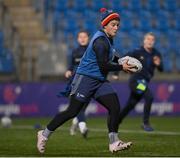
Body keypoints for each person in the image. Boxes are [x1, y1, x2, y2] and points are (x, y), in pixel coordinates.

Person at [37, 8, 134, 154]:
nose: (116, 27)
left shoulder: (108, 39)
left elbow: (110, 56)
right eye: (113, 24)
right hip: (85, 79)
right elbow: (103, 64)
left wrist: (120, 61)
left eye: (117, 25)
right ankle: (44, 134)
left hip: (99, 80)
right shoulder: (100, 41)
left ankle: (114, 143)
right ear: (105, 25)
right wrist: (121, 66)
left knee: (114, 107)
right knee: (72, 112)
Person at [118, 32, 164, 131]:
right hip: (135, 82)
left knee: (130, 105)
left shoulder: (156, 54)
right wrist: (116, 73)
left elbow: (161, 69)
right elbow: (122, 60)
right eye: (148, 39)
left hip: (144, 82)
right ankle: (145, 123)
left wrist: (158, 64)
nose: (150, 41)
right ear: (144, 40)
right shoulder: (137, 52)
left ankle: (116, 121)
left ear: (154, 41)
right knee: (149, 96)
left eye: (152, 40)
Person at [57, 30, 90, 138]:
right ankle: (82, 126)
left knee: (81, 107)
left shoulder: (92, 50)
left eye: (84, 36)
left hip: (89, 82)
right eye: (80, 37)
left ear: (88, 38)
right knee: (78, 105)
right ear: (77, 39)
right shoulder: (75, 51)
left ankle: (75, 123)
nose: (82, 38)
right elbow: (71, 65)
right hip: (76, 81)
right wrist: (68, 71)